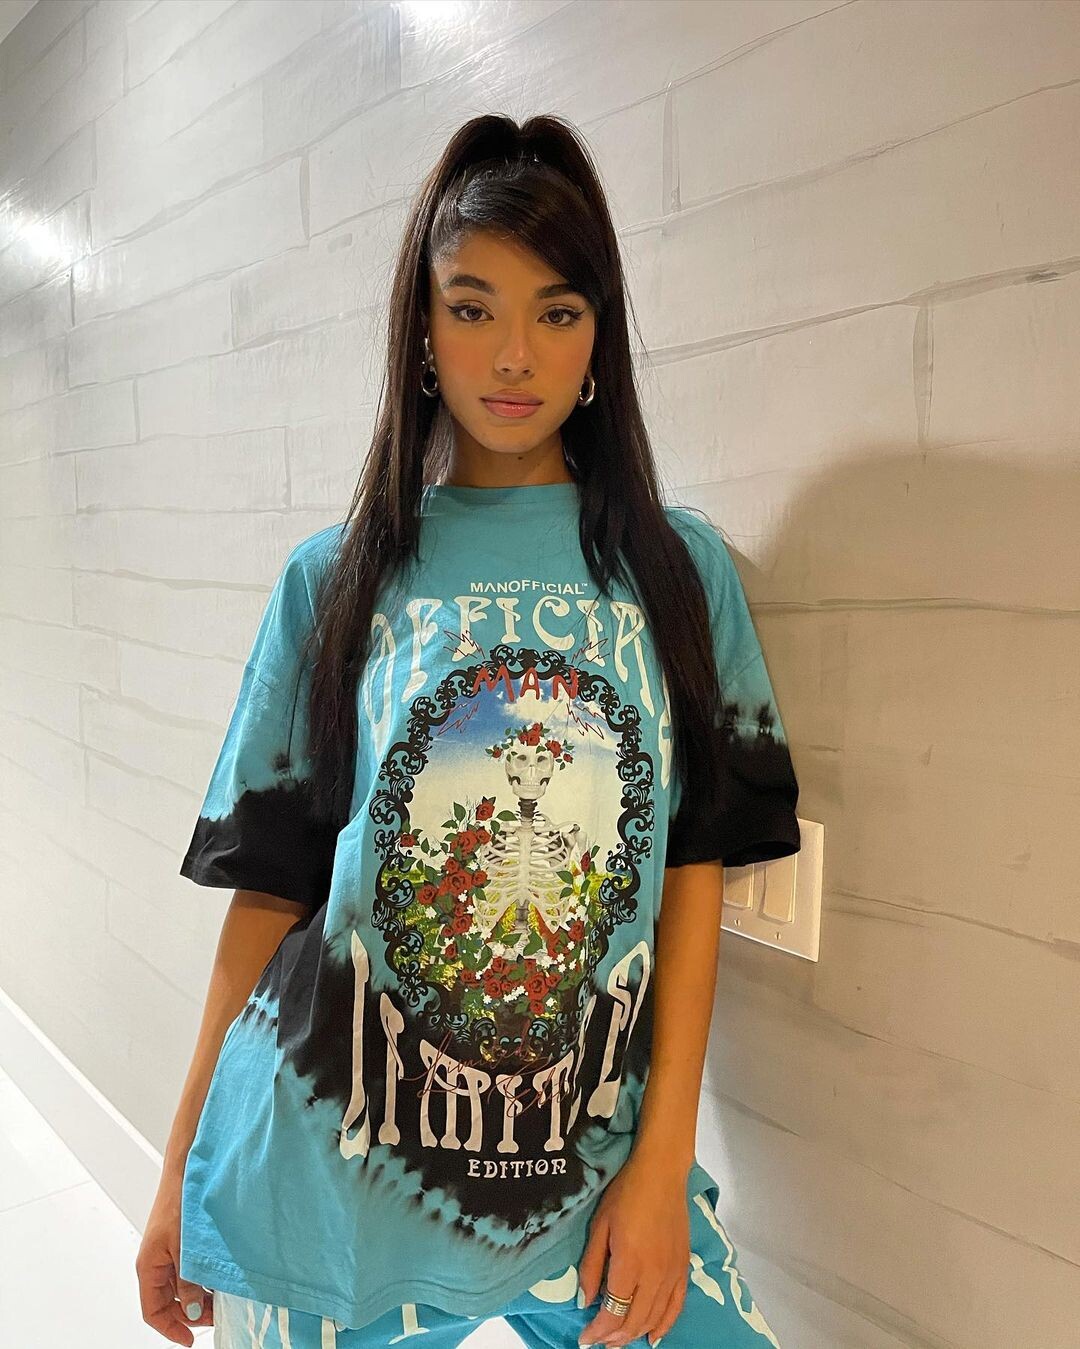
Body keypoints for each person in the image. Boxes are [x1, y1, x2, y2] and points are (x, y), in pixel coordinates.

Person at [135, 113, 800, 1349]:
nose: (514, 354)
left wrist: (663, 1164)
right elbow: (270, 896)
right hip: (331, 1175)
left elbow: (691, 871)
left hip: (589, 1177)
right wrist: (179, 1169)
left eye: (558, 310)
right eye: (472, 306)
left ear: (599, 336)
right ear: (423, 332)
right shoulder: (336, 580)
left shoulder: (673, 571)